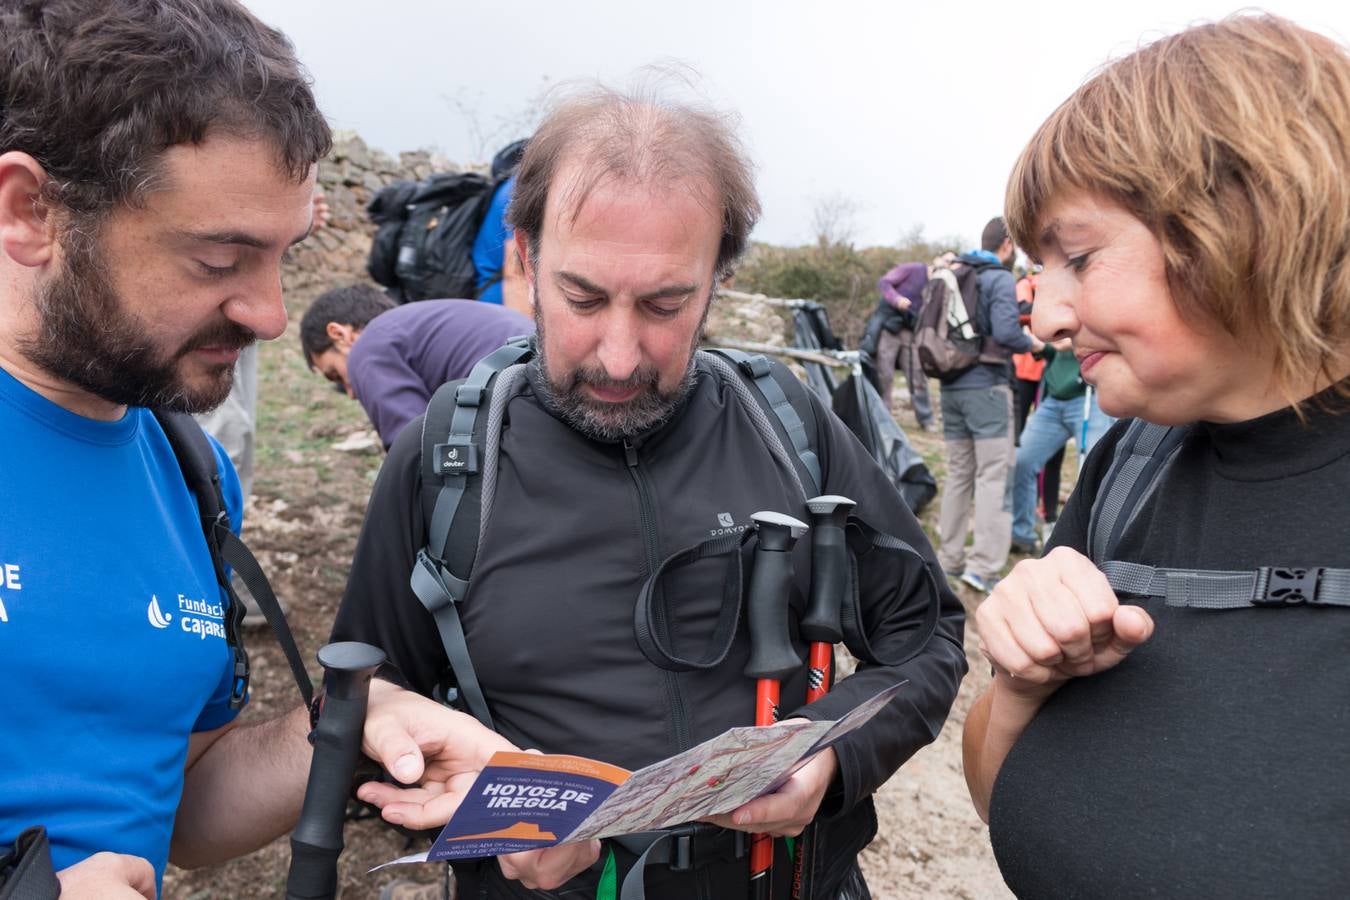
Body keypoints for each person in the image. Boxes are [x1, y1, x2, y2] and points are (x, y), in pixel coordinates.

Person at [332, 84, 968, 899]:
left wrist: (831, 753)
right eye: (583, 298)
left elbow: (926, 637)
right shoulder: (445, 462)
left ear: (719, 279)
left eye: (666, 304)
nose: (621, 356)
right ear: (524, 258)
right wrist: (484, 816)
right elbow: (361, 702)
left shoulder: (790, 425)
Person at [0, 2, 526, 896]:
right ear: (31, 211)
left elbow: (182, 804)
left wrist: (341, 726)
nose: (273, 315)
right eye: (218, 260)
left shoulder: (191, 478)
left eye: (283, 256)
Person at [962, 14, 1350, 898]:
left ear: (1243, 219)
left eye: (1081, 256)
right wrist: (1024, 683)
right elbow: (994, 793)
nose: (1046, 317)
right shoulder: (1133, 461)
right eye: (1037, 269)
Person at [935, 218, 1044, 594]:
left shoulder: (955, 272)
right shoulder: (997, 278)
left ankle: (947, 558)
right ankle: (982, 567)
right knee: (994, 475)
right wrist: (1036, 345)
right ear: (1008, 243)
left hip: (951, 389)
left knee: (959, 473)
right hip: (987, 389)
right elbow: (1006, 331)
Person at [300, 285, 534, 448]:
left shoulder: (368, 346)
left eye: (336, 375)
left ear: (339, 335)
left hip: (516, 403)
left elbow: (413, 445)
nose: (350, 393)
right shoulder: (419, 324)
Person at [1009, 343, 1114, 554]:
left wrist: (1066, 342)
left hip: (1088, 398)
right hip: (1053, 400)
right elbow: (1052, 352)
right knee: (1022, 461)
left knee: (1095, 469)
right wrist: (1041, 347)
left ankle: (1095, 545)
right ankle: (1022, 534)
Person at [871, 261, 937, 431]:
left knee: (917, 374)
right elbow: (884, 282)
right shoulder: (914, 269)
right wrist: (897, 299)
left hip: (910, 331)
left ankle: (926, 419)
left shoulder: (937, 286)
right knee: (885, 373)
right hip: (890, 328)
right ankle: (883, 418)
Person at [472, 140, 531, 317]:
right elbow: (515, 272)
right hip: (503, 305)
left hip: (491, 301)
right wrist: (526, 338)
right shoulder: (518, 189)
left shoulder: (509, 188)